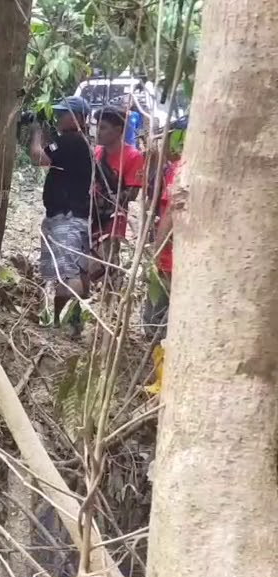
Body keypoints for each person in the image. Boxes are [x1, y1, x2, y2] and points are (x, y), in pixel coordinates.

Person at [27, 96, 95, 335]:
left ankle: (66, 325)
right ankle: (70, 322)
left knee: (67, 272)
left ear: (76, 117)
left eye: (62, 114)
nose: (58, 118)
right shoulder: (81, 142)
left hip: (66, 217)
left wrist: (35, 132)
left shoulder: (70, 141)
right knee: (76, 269)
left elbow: (39, 157)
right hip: (77, 215)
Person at [143, 115, 188, 395]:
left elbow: (170, 212)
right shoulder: (177, 168)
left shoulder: (181, 170)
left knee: (157, 324)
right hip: (180, 261)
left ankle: (164, 385)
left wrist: (156, 251)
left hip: (170, 261)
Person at [91, 106, 146, 286]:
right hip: (92, 213)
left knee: (108, 258)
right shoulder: (97, 152)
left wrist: (106, 197)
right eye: (97, 126)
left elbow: (132, 193)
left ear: (118, 130)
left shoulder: (133, 156)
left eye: (103, 127)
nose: (98, 131)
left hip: (113, 216)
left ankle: (111, 294)